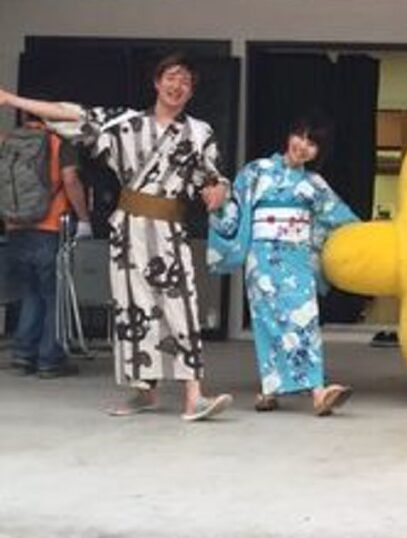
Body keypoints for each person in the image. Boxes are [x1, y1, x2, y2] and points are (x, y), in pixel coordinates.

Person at [0, 52, 233, 421]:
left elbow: (212, 175)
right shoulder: (125, 124)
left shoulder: (199, 132)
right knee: (133, 309)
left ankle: (195, 395)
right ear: (157, 82)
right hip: (129, 231)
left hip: (169, 230)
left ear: (191, 92)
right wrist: (11, 100)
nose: (177, 85)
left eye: (185, 81)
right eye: (171, 77)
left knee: (181, 307)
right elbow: (71, 114)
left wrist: (218, 189)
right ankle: (144, 391)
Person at [208, 117, 359, 416]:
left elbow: (340, 218)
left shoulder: (314, 184)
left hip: (297, 258)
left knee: (305, 320)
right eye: (301, 137)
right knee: (267, 322)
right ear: (289, 135)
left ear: (318, 152)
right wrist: (219, 203)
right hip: (261, 259)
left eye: (312, 143)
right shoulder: (256, 171)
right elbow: (234, 208)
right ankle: (271, 389)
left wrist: (361, 237)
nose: (303, 146)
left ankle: (317, 391)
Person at [4, 112, 91, 378]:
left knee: (30, 292)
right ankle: (49, 359)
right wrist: (84, 219)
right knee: (53, 295)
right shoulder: (59, 142)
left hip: (16, 225)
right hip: (50, 226)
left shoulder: (7, 141)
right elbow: (70, 180)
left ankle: (23, 354)